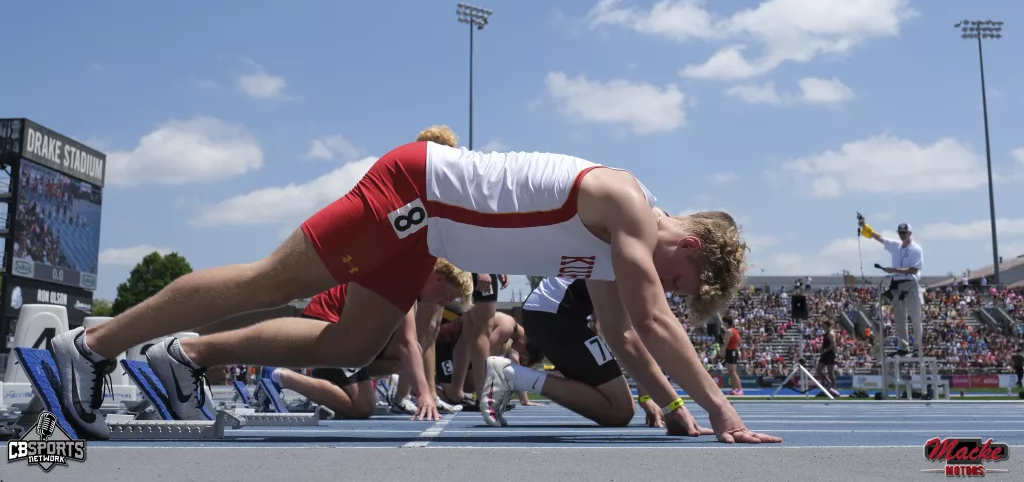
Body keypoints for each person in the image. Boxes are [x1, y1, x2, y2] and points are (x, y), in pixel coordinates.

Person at [53, 127, 778, 444]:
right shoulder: (626, 204)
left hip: (428, 234)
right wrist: (722, 411)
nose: (669, 289)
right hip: (415, 191)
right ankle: (90, 346)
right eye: (680, 280)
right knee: (271, 280)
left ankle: (188, 355)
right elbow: (651, 322)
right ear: (691, 244)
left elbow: (623, 334)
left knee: (353, 343)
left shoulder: (619, 248)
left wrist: (671, 405)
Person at [501, 273, 714, 434]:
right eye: (676, 282)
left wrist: (648, 395)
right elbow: (629, 334)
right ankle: (513, 375)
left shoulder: (636, 249)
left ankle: (519, 376)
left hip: (550, 312)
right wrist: (671, 405)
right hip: (552, 315)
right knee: (619, 410)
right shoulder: (637, 256)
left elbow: (630, 330)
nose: (672, 290)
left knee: (618, 407)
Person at [260, 261, 471, 420]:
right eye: (447, 296)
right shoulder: (404, 283)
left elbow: (408, 345)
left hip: (343, 331)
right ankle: (278, 376)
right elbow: (407, 344)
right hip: (326, 325)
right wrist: (424, 394)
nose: (443, 303)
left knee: (403, 359)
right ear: (439, 279)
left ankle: (334, 384)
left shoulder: (410, 284)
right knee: (363, 408)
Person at [440, 272, 509, 410]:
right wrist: (480, 270)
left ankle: (456, 393)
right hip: (479, 268)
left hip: (474, 268)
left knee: (468, 332)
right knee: (483, 331)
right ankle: (484, 396)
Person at [859, 218, 924, 355]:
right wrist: (865, 226)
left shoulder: (916, 249)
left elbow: (914, 269)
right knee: (900, 319)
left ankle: (918, 347)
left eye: (904, 233)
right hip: (897, 285)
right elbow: (879, 238)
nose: (902, 235)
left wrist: (893, 270)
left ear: (910, 233)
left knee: (915, 318)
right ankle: (903, 347)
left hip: (910, 285)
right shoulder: (895, 246)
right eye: (900, 233)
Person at [814, 319, 839, 396]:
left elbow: (833, 346)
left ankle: (833, 388)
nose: (822, 326)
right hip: (824, 354)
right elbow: (825, 343)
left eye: (823, 324)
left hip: (829, 354)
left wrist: (824, 350)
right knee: (818, 370)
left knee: (830, 373)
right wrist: (821, 348)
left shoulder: (831, 334)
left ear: (826, 325)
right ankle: (829, 382)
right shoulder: (825, 333)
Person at [721, 317, 742, 396]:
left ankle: (740, 389)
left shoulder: (729, 331)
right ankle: (733, 390)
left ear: (726, 323)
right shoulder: (734, 330)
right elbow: (739, 341)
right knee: (731, 372)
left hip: (731, 351)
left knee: (733, 372)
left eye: (723, 322)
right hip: (733, 351)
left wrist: (722, 351)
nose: (723, 324)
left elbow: (725, 343)